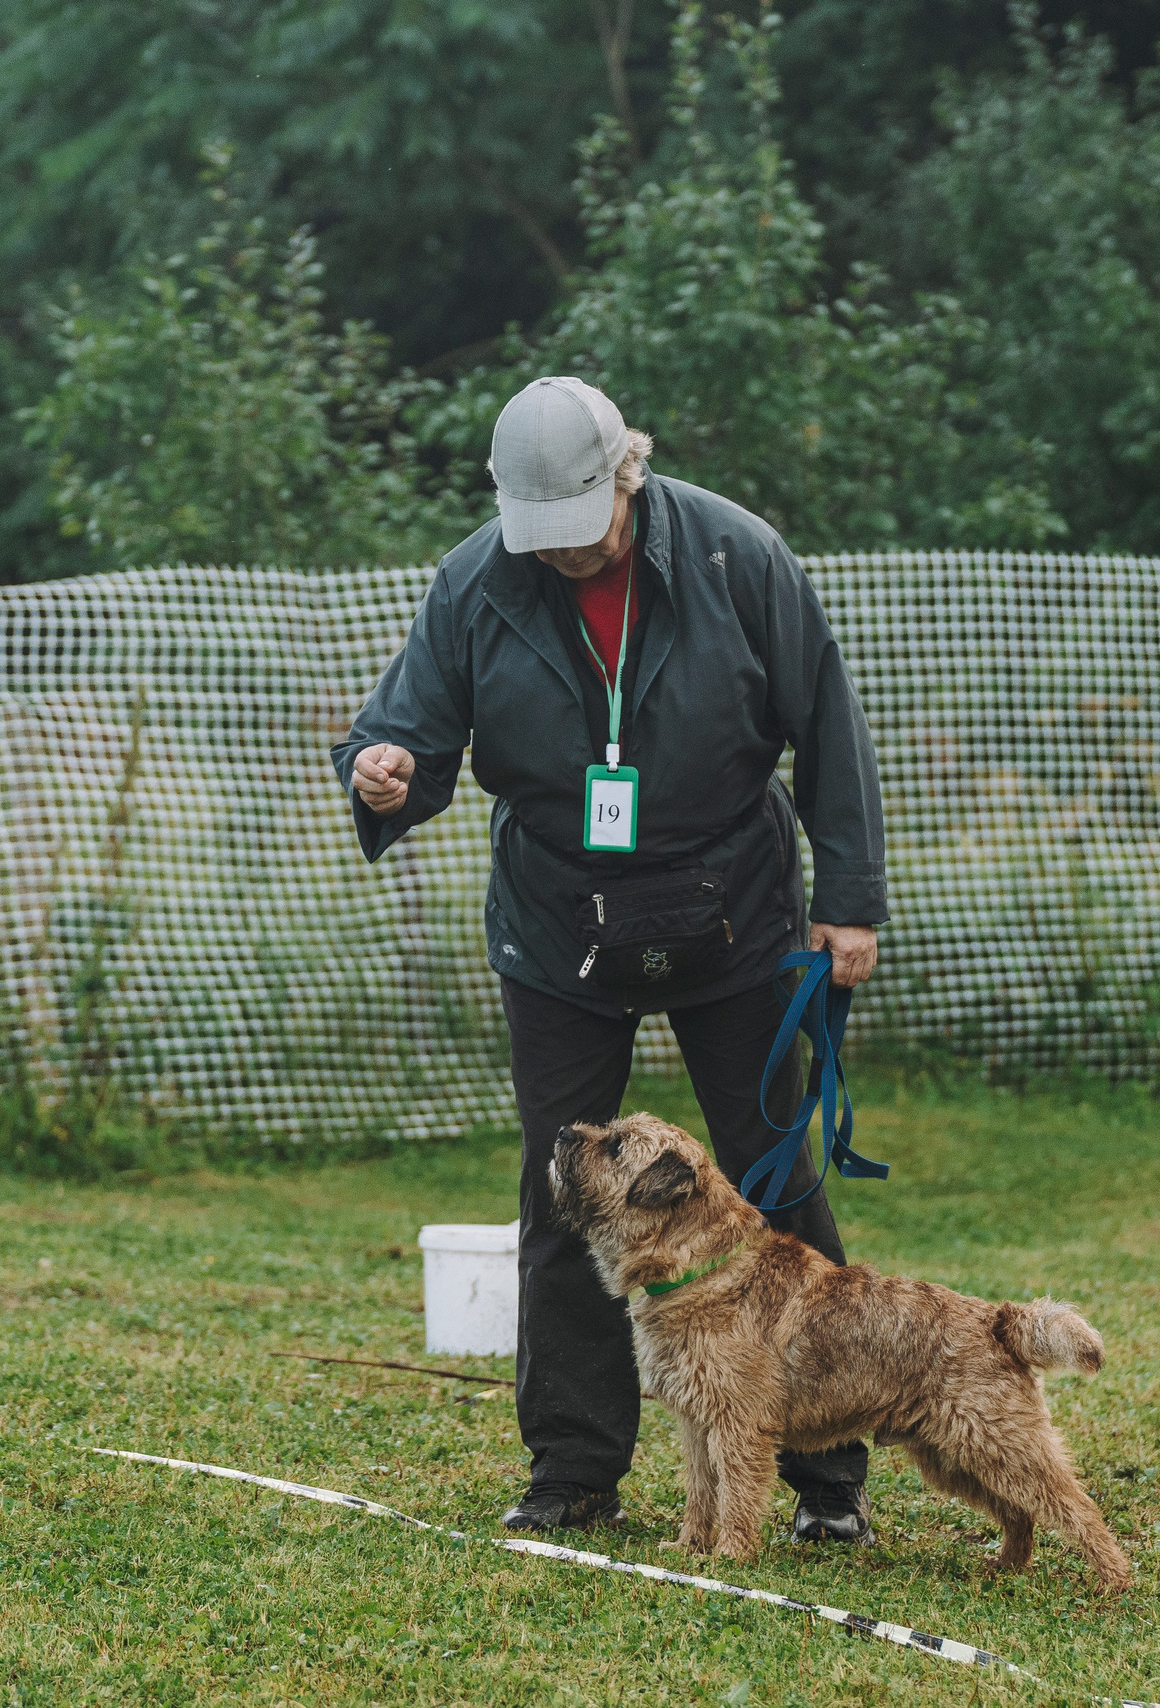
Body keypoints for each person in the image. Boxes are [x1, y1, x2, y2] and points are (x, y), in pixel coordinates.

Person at [333, 376, 888, 1543]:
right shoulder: (477, 581)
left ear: (626, 477)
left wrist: (846, 901)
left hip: (732, 906)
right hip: (555, 922)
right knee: (561, 1191)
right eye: (541, 535)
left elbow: (827, 721)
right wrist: (384, 769)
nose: (563, 554)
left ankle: (827, 1483)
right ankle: (573, 1474)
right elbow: (408, 729)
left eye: (582, 530)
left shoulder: (741, 557)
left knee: (773, 1177)